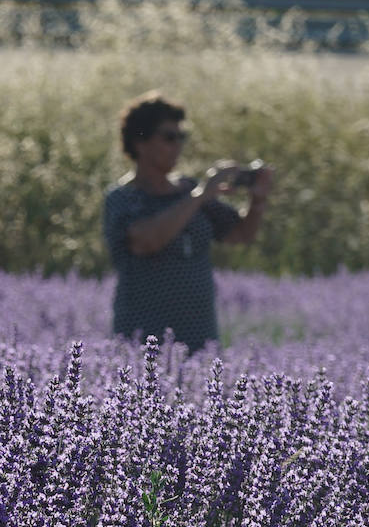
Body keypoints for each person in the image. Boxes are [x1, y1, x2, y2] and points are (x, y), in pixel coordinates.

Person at [102, 92, 273, 353]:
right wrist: (201, 195)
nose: (178, 145)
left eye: (182, 137)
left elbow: (239, 234)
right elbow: (145, 241)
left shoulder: (189, 190)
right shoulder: (123, 198)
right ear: (141, 142)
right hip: (143, 340)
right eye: (169, 137)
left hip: (199, 336)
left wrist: (258, 201)